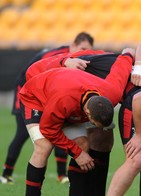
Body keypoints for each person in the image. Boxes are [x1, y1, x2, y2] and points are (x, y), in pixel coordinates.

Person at [18, 48, 134, 196]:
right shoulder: (63, 100)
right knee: (44, 146)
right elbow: (49, 129)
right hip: (36, 99)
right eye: (93, 122)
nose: (92, 126)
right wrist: (78, 155)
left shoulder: (112, 92)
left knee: (83, 143)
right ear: (87, 112)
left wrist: (129, 55)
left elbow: (121, 68)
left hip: (69, 102)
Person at [1, 32, 94, 185]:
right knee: (23, 133)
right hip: (27, 93)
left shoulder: (79, 61)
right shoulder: (56, 56)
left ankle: (61, 174)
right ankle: (6, 173)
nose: (84, 53)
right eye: (82, 48)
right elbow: (33, 74)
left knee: (61, 127)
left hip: (46, 97)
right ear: (73, 46)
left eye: (87, 50)